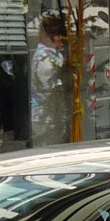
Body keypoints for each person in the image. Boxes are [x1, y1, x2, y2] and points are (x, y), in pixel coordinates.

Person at [29, 12, 71, 147]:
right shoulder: (44, 58)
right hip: (45, 117)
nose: (60, 38)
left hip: (52, 115)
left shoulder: (54, 54)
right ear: (44, 36)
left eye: (60, 34)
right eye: (55, 35)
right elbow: (52, 85)